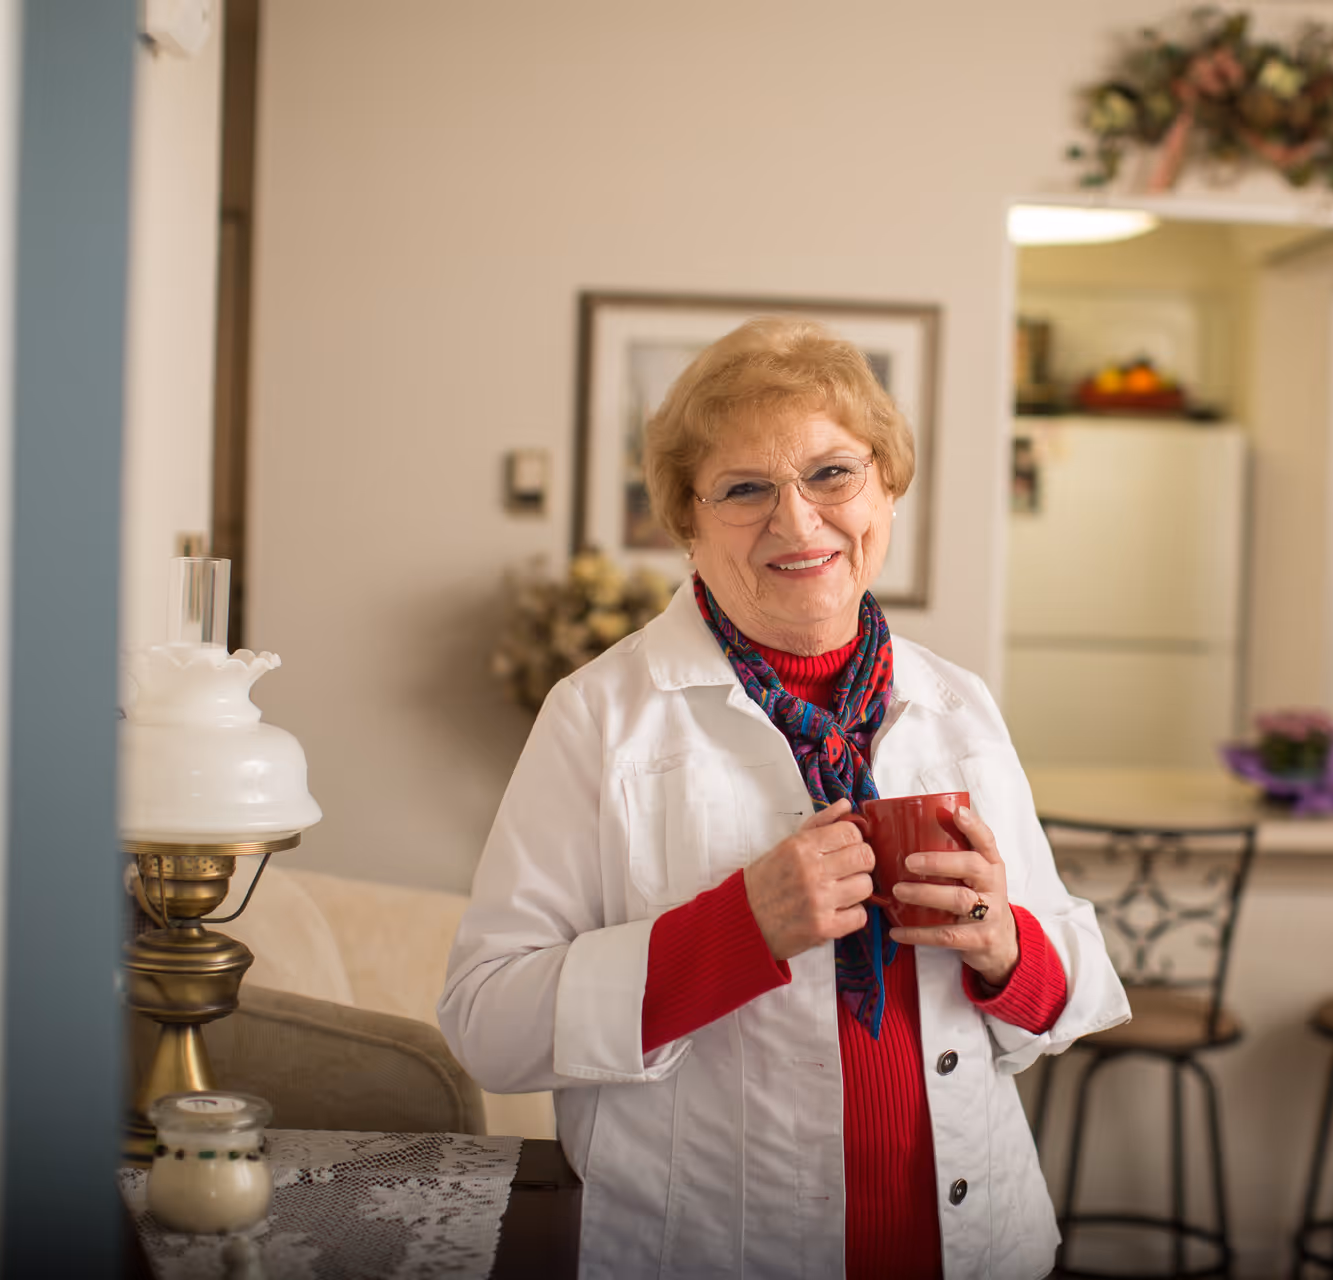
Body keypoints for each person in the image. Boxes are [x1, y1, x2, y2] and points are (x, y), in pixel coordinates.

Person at [439, 318, 1128, 1280]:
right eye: (744, 489)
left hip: (974, 1247)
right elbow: (488, 1023)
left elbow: (1070, 990)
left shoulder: (957, 704)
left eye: (832, 474)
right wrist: (736, 932)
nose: (798, 524)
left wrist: (1003, 944)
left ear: (887, 487)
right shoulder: (598, 714)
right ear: (687, 519)